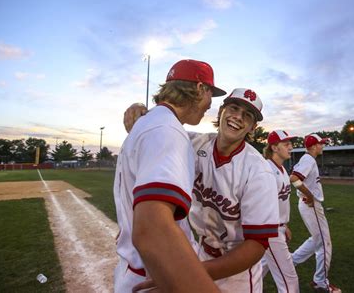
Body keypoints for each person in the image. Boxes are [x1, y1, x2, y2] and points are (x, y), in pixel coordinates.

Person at [125, 88, 280, 293]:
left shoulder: (258, 171)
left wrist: (189, 274)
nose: (238, 117)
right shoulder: (191, 142)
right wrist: (139, 112)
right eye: (233, 108)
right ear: (221, 111)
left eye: (247, 116)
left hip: (237, 274)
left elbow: (256, 245)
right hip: (199, 252)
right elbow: (155, 132)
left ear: (253, 127)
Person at [113, 59, 226, 293]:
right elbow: (153, 231)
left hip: (138, 270)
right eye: (210, 95)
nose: (209, 105)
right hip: (157, 275)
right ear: (199, 89)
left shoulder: (149, 123)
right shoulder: (167, 130)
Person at [290, 134, 341, 293]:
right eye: (320, 144)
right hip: (310, 204)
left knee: (317, 239)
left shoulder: (309, 159)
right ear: (313, 146)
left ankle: (291, 261)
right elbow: (294, 179)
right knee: (325, 243)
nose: (322, 146)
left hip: (310, 205)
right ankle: (320, 281)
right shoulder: (308, 159)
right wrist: (310, 195)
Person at [261, 130, 300, 293]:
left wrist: (285, 225)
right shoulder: (267, 170)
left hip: (278, 227)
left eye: (290, 143)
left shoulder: (282, 170)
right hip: (270, 229)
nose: (291, 147)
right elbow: (261, 207)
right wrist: (277, 229)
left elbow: (279, 203)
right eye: (286, 144)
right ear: (274, 148)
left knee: (259, 269)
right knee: (289, 279)